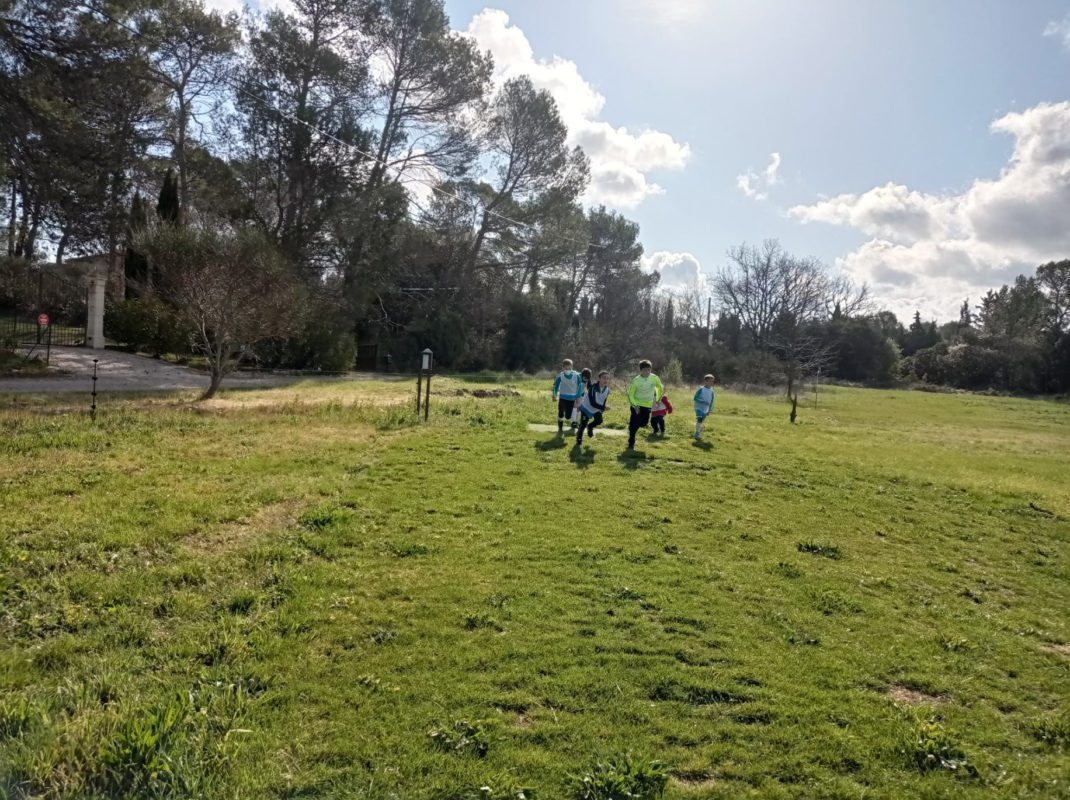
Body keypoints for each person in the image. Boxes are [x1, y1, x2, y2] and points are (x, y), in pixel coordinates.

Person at [626, 360, 663, 449]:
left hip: (647, 405)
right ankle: (631, 442)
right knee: (635, 424)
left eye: (649, 370)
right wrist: (635, 405)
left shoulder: (654, 378)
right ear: (641, 370)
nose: (647, 372)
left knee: (643, 423)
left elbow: (659, 387)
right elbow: (630, 394)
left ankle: (632, 425)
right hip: (637, 405)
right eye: (645, 370)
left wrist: (658, 398)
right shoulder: (636, 380)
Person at [576, 370, 611, 444]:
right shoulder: (593, 388)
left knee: (599, 421)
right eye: (604, 378)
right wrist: (603, 407)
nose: (606, 380)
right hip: (586, 408)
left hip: (597, 409)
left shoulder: (607, 390)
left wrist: (602, 410)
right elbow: (592, 402)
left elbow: (603, 401)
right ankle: (579, 439)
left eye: (607, 378)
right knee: (583, 425)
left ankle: (590, 427)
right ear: (599, 379)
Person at [552, 359, 584, 434]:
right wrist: (554, 395)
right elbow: (556, 387)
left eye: (569, 368)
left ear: (572, 367)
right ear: (563, 367)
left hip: (571, 399)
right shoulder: (560, 376)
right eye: (566, 368)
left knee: (568, 416)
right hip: (562, 398)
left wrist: (578, 397)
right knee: (560, 413)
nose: (567, 370)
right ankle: (560, 428)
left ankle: (569, 419)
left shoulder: (576, 376)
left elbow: (580, 386)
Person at [693, 373, 715, 440]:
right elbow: (695, 398)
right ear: (705, 381)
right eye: (710, 381)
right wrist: (702, 401)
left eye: (712, 381)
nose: (711, 383)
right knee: (699, 419)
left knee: (701, 421)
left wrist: (709, 409)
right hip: (698, 406)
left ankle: (698, 431)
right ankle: (697, 433)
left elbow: (711, 400)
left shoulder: (712, 390)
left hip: (706, 408)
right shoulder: (701, 389)